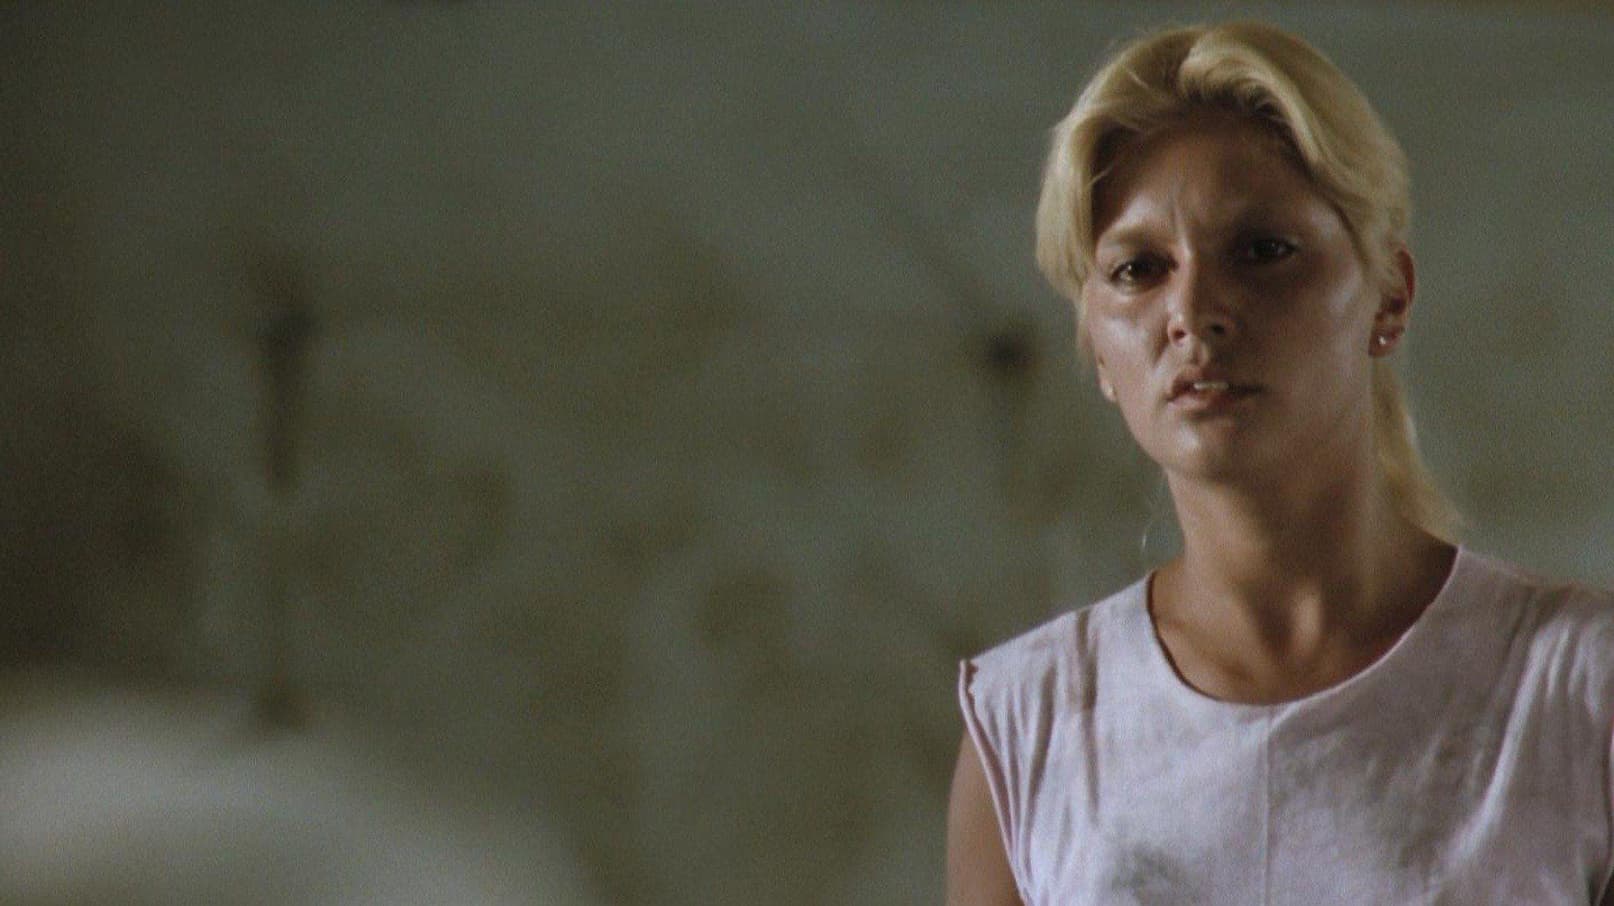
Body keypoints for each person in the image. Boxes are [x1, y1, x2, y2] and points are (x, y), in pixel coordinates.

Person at [944, 20, 1614, 906]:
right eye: (1139, 269)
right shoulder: (1029, 725)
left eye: (1261, 250)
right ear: (1098, 349)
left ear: (1388, 295)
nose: (1195, 312)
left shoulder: (1580, 690)